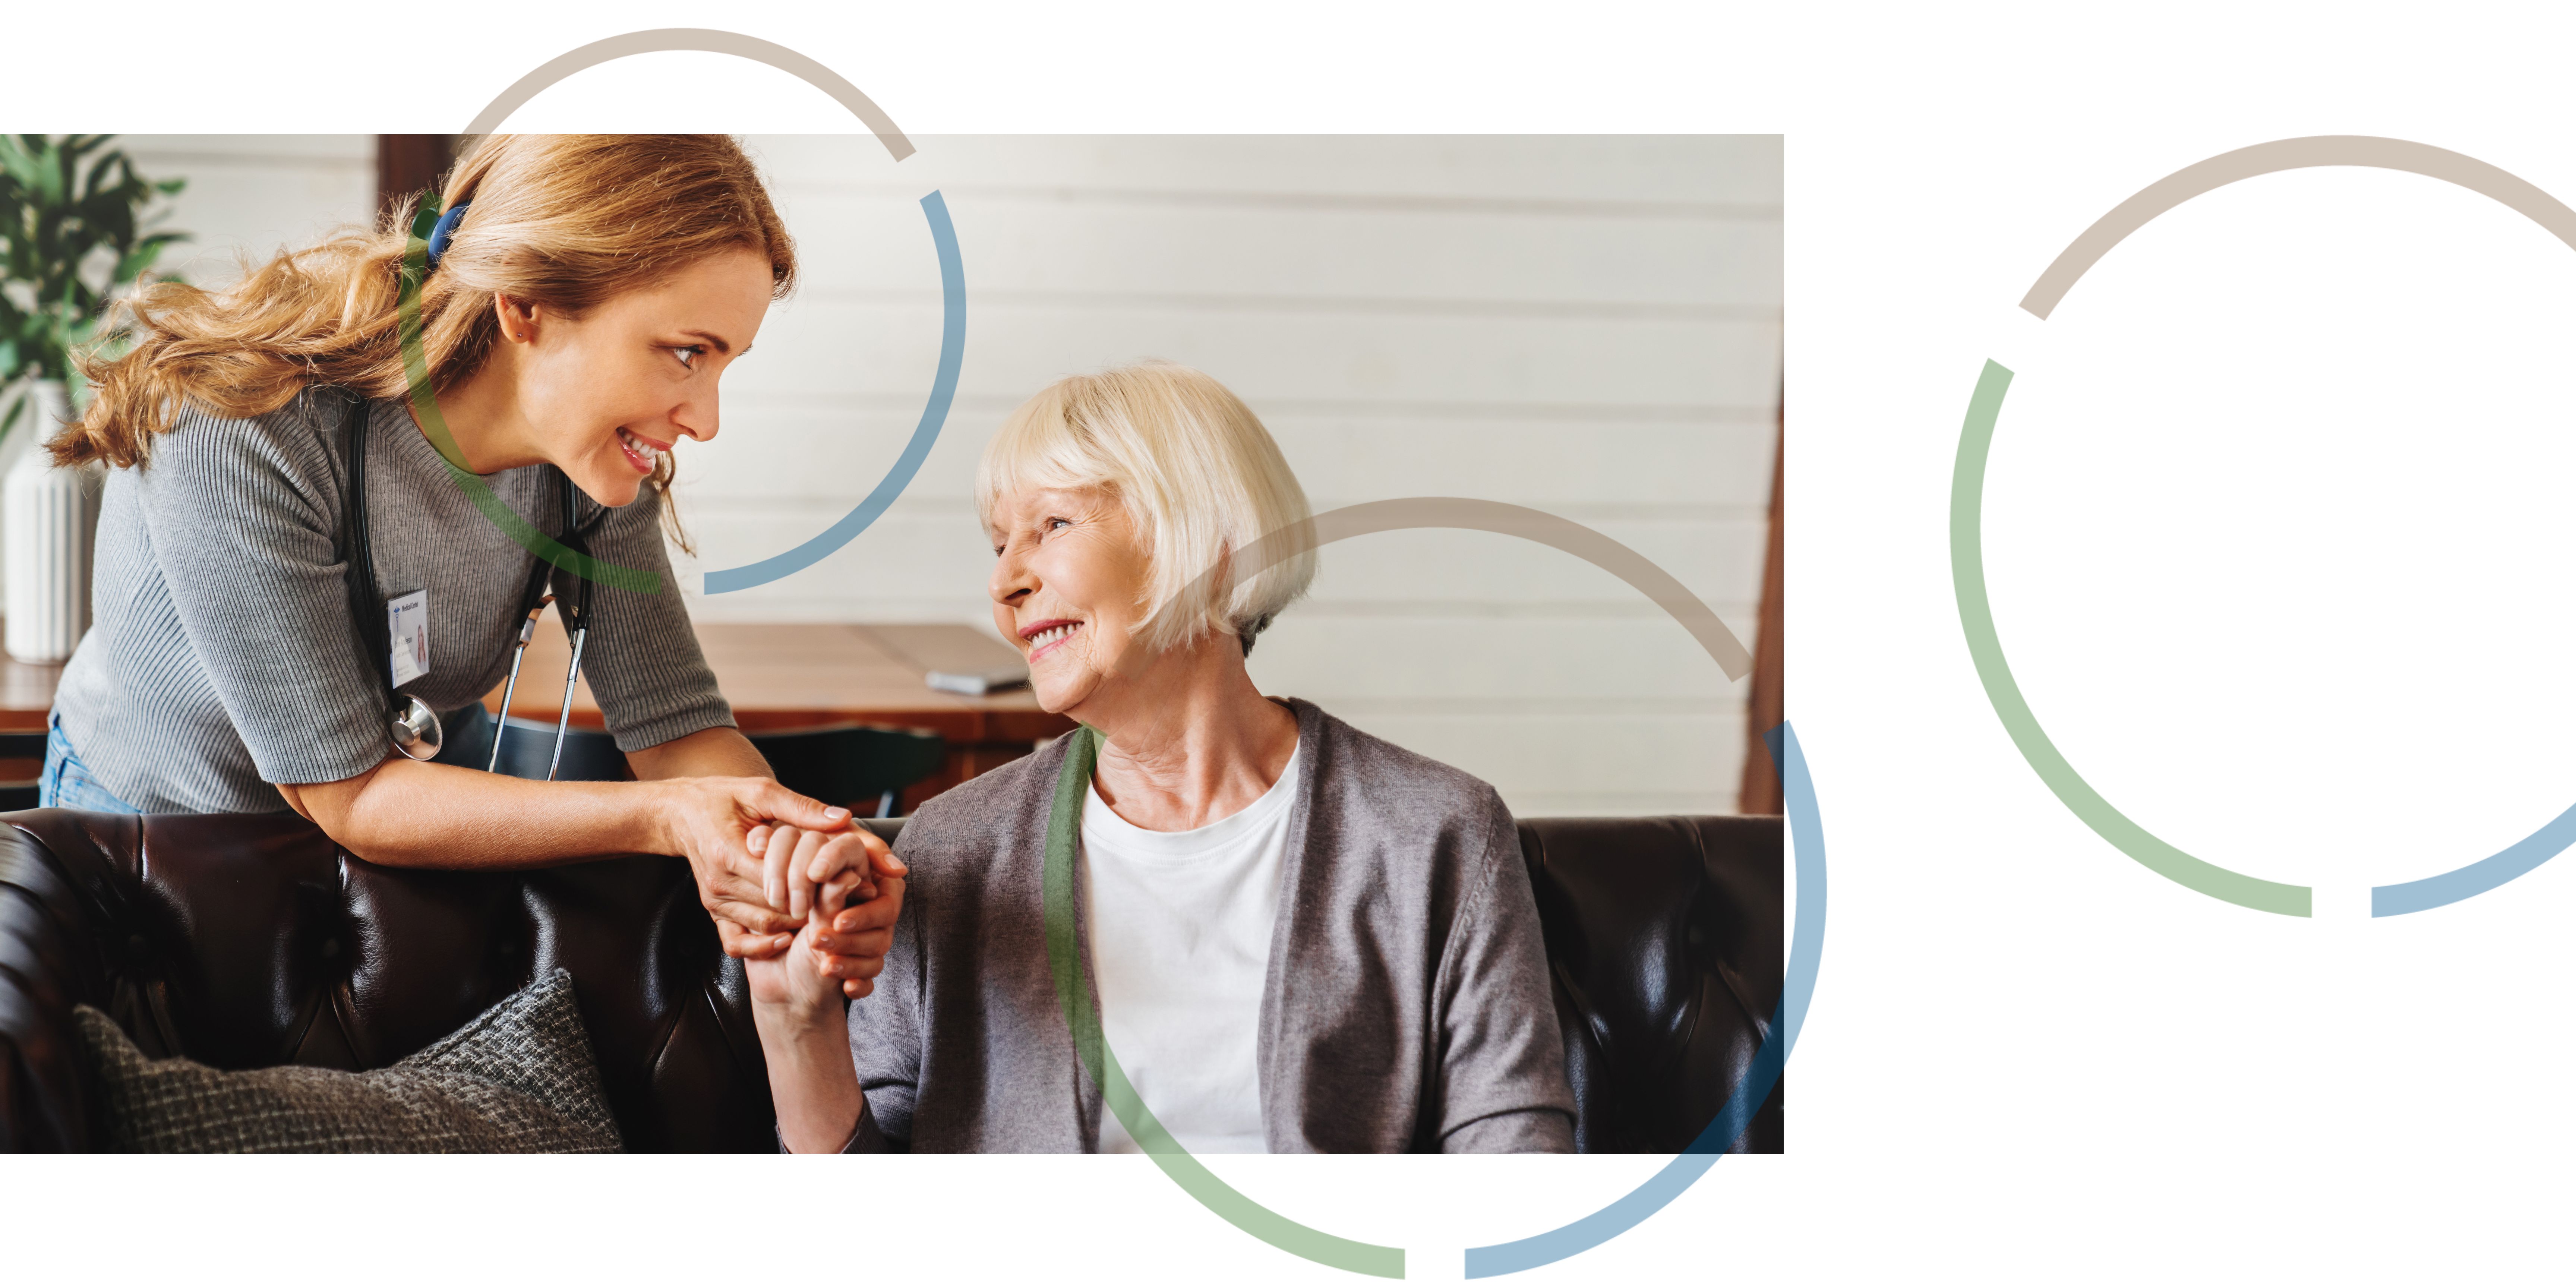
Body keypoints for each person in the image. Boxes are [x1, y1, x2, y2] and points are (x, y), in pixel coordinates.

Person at [43, 133, 888, 959]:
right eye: (682, 354)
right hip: (152, 837)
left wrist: (793, 855)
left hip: (396, 833)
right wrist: (669, 819)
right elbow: (352, 796)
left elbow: (675, 732)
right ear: (525, 305)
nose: (705, 420)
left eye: (722, 365)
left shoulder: (589, 461)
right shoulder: (242, 424)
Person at [747, 361, 1576, 1152]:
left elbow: (1511, 1159)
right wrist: (796, 1025)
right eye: (999, 544)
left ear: (1210, 541)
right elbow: (873, 1217)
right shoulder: (953, 847)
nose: (1005, 581)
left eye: (1053, 525)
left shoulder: (1434, 833)